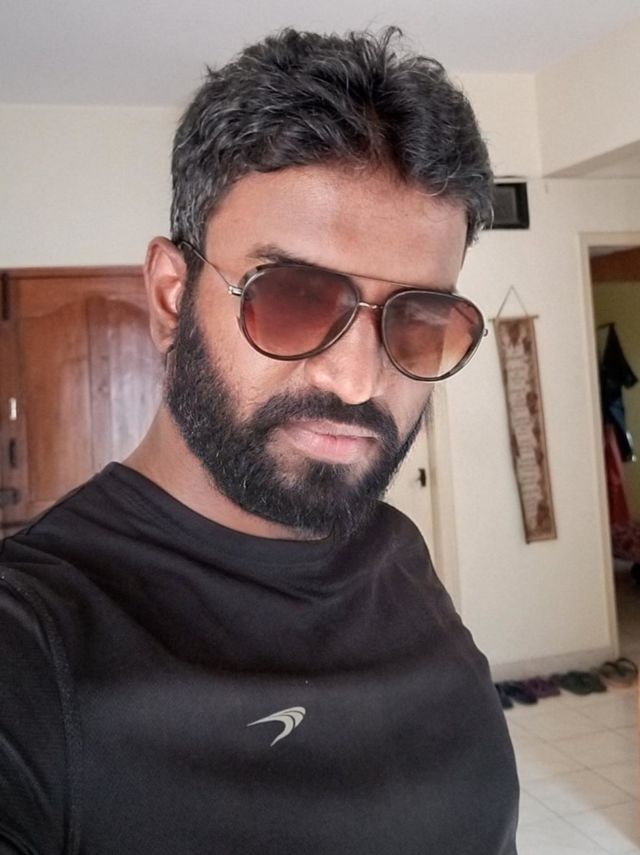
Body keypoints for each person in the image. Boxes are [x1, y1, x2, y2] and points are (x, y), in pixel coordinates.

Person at [0, 27, 518, 855]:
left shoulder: (396, 553)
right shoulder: (34, 643)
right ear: (171, 297)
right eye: (293, 296)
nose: (358, 380)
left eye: (418, 317)